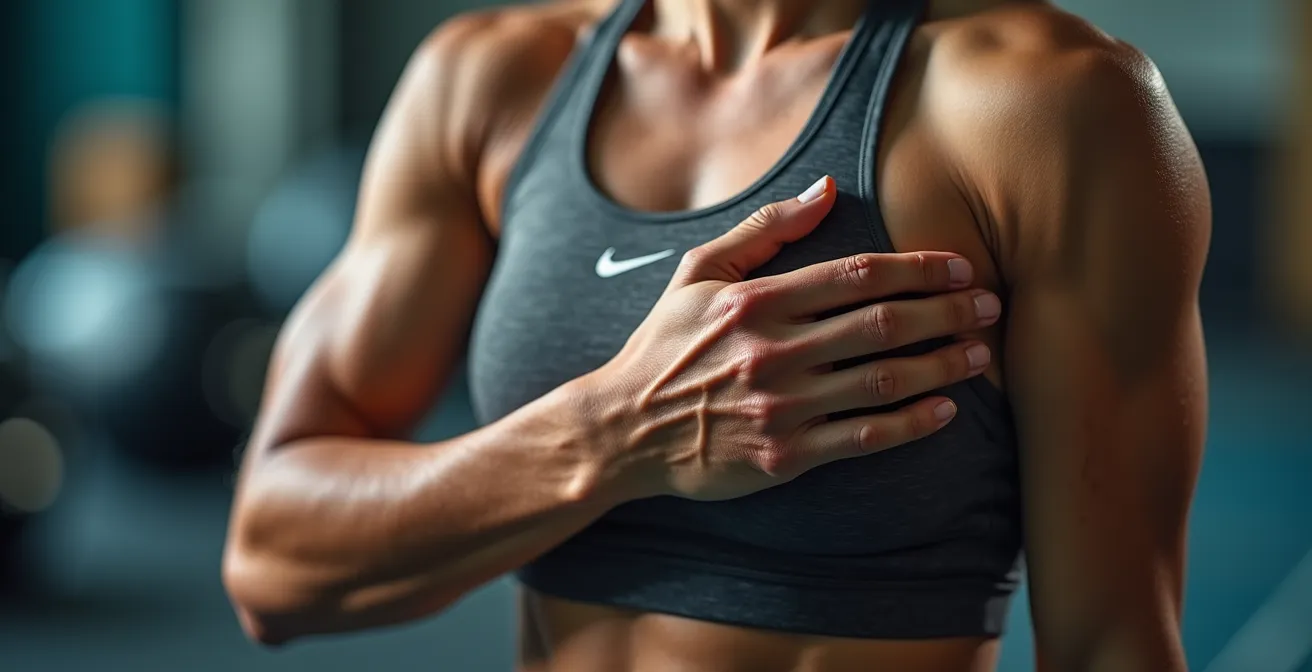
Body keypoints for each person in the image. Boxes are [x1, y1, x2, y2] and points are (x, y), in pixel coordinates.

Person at [222, 0, 1211, 670]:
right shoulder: (487, 81)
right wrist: (610, 435)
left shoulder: (1047, 107)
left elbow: (1115, 647)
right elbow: (275, 565)